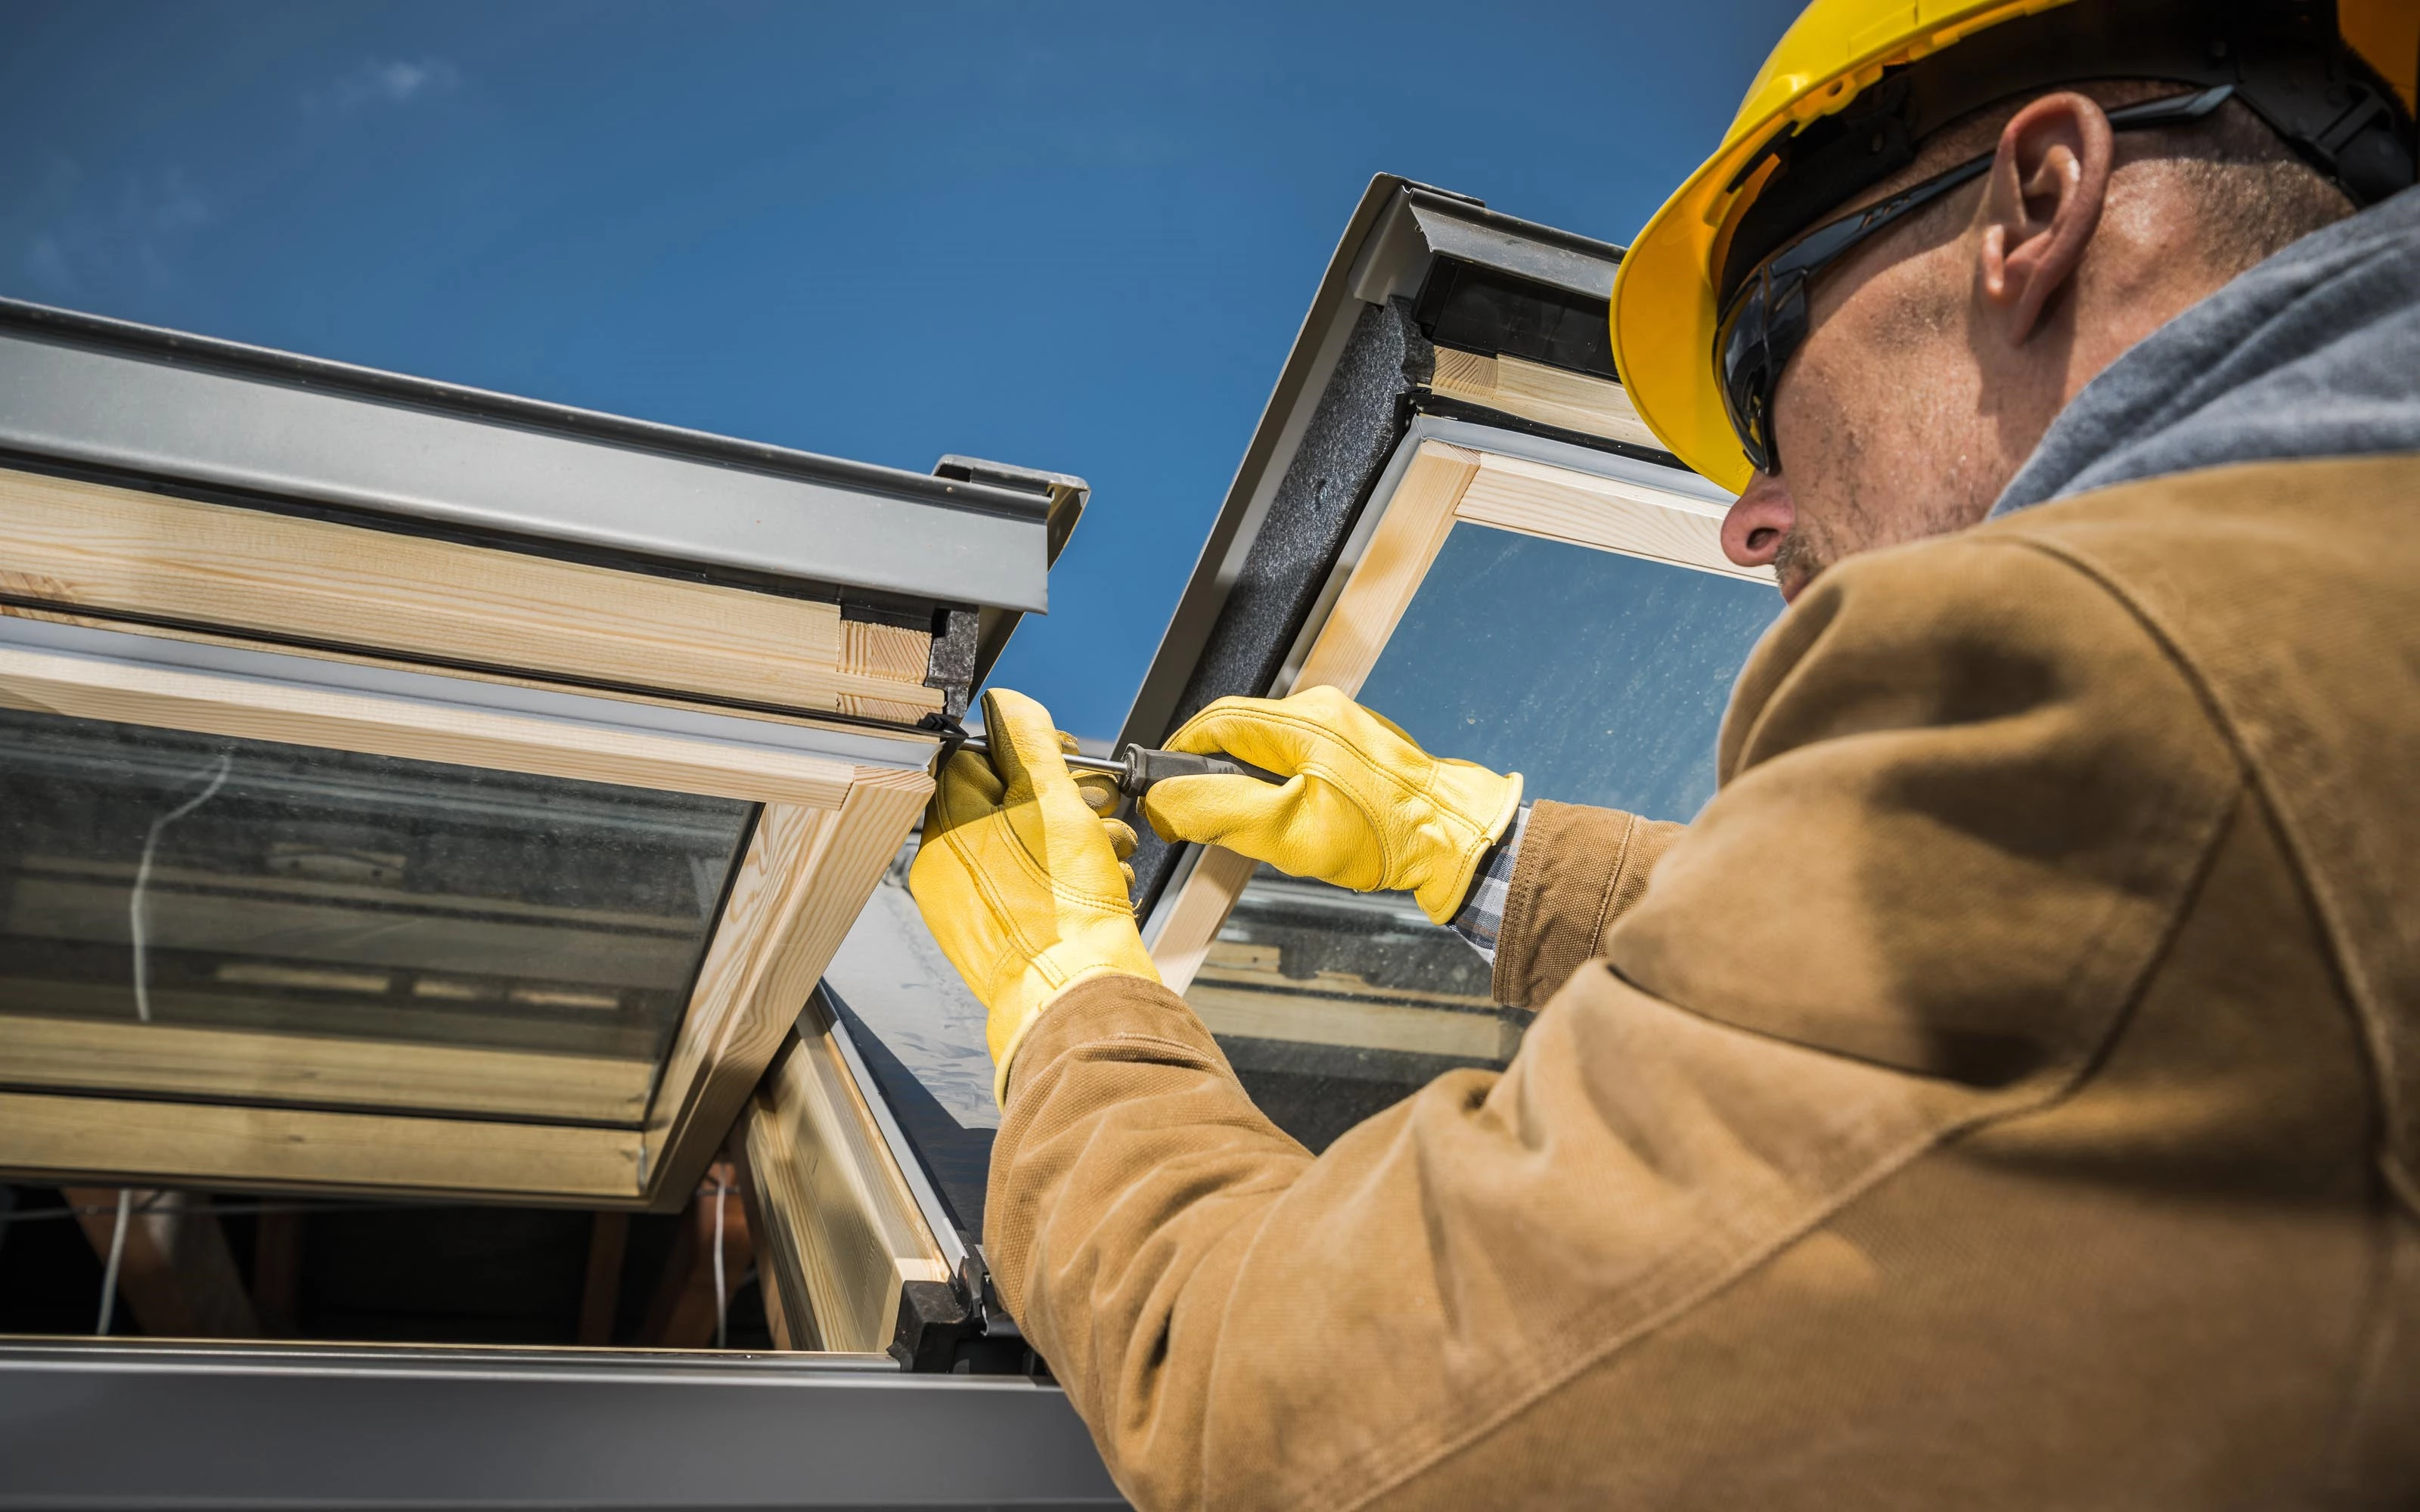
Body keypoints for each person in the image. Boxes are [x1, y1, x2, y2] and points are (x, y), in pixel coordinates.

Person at [908, 1, 2420, 1504]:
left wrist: (1074, 1010)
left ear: (2035, 205)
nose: (1746, 517)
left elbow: (1307, 1413)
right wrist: (1477, 848)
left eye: (1763, 364)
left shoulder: (2123, 667)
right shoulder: (2319, 616)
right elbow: (1987, 987)